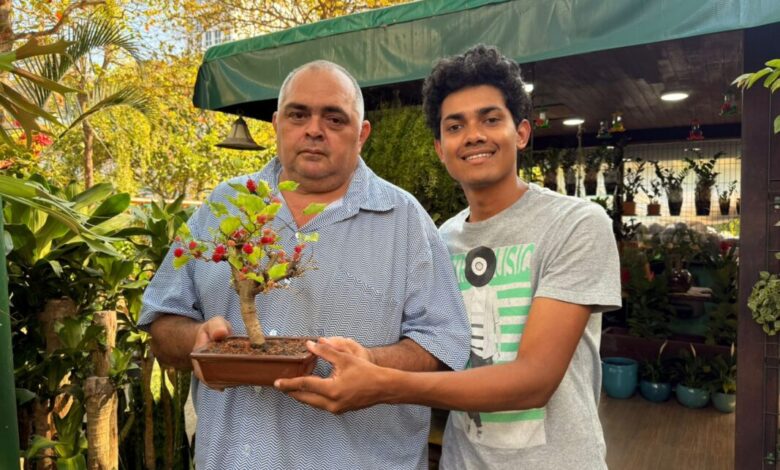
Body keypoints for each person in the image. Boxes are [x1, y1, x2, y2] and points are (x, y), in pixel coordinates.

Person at [275, 45, 622, 470]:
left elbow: (534, 381)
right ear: (440, 148)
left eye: (491, 119)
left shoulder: (576, 224)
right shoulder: (438, 238)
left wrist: (385, 383)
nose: (473, 135)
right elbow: (433, 343)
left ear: (522, 133)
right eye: (455, 125)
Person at [138, 60, 471, 469]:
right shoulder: (223, 208)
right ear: (277, 124)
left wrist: (373, 366)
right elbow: (161, 321)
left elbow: (444, 344)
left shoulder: (405, 221)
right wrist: (196, 341)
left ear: (362, 134)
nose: (314, 129)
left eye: (334, 118)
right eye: (299, 114)